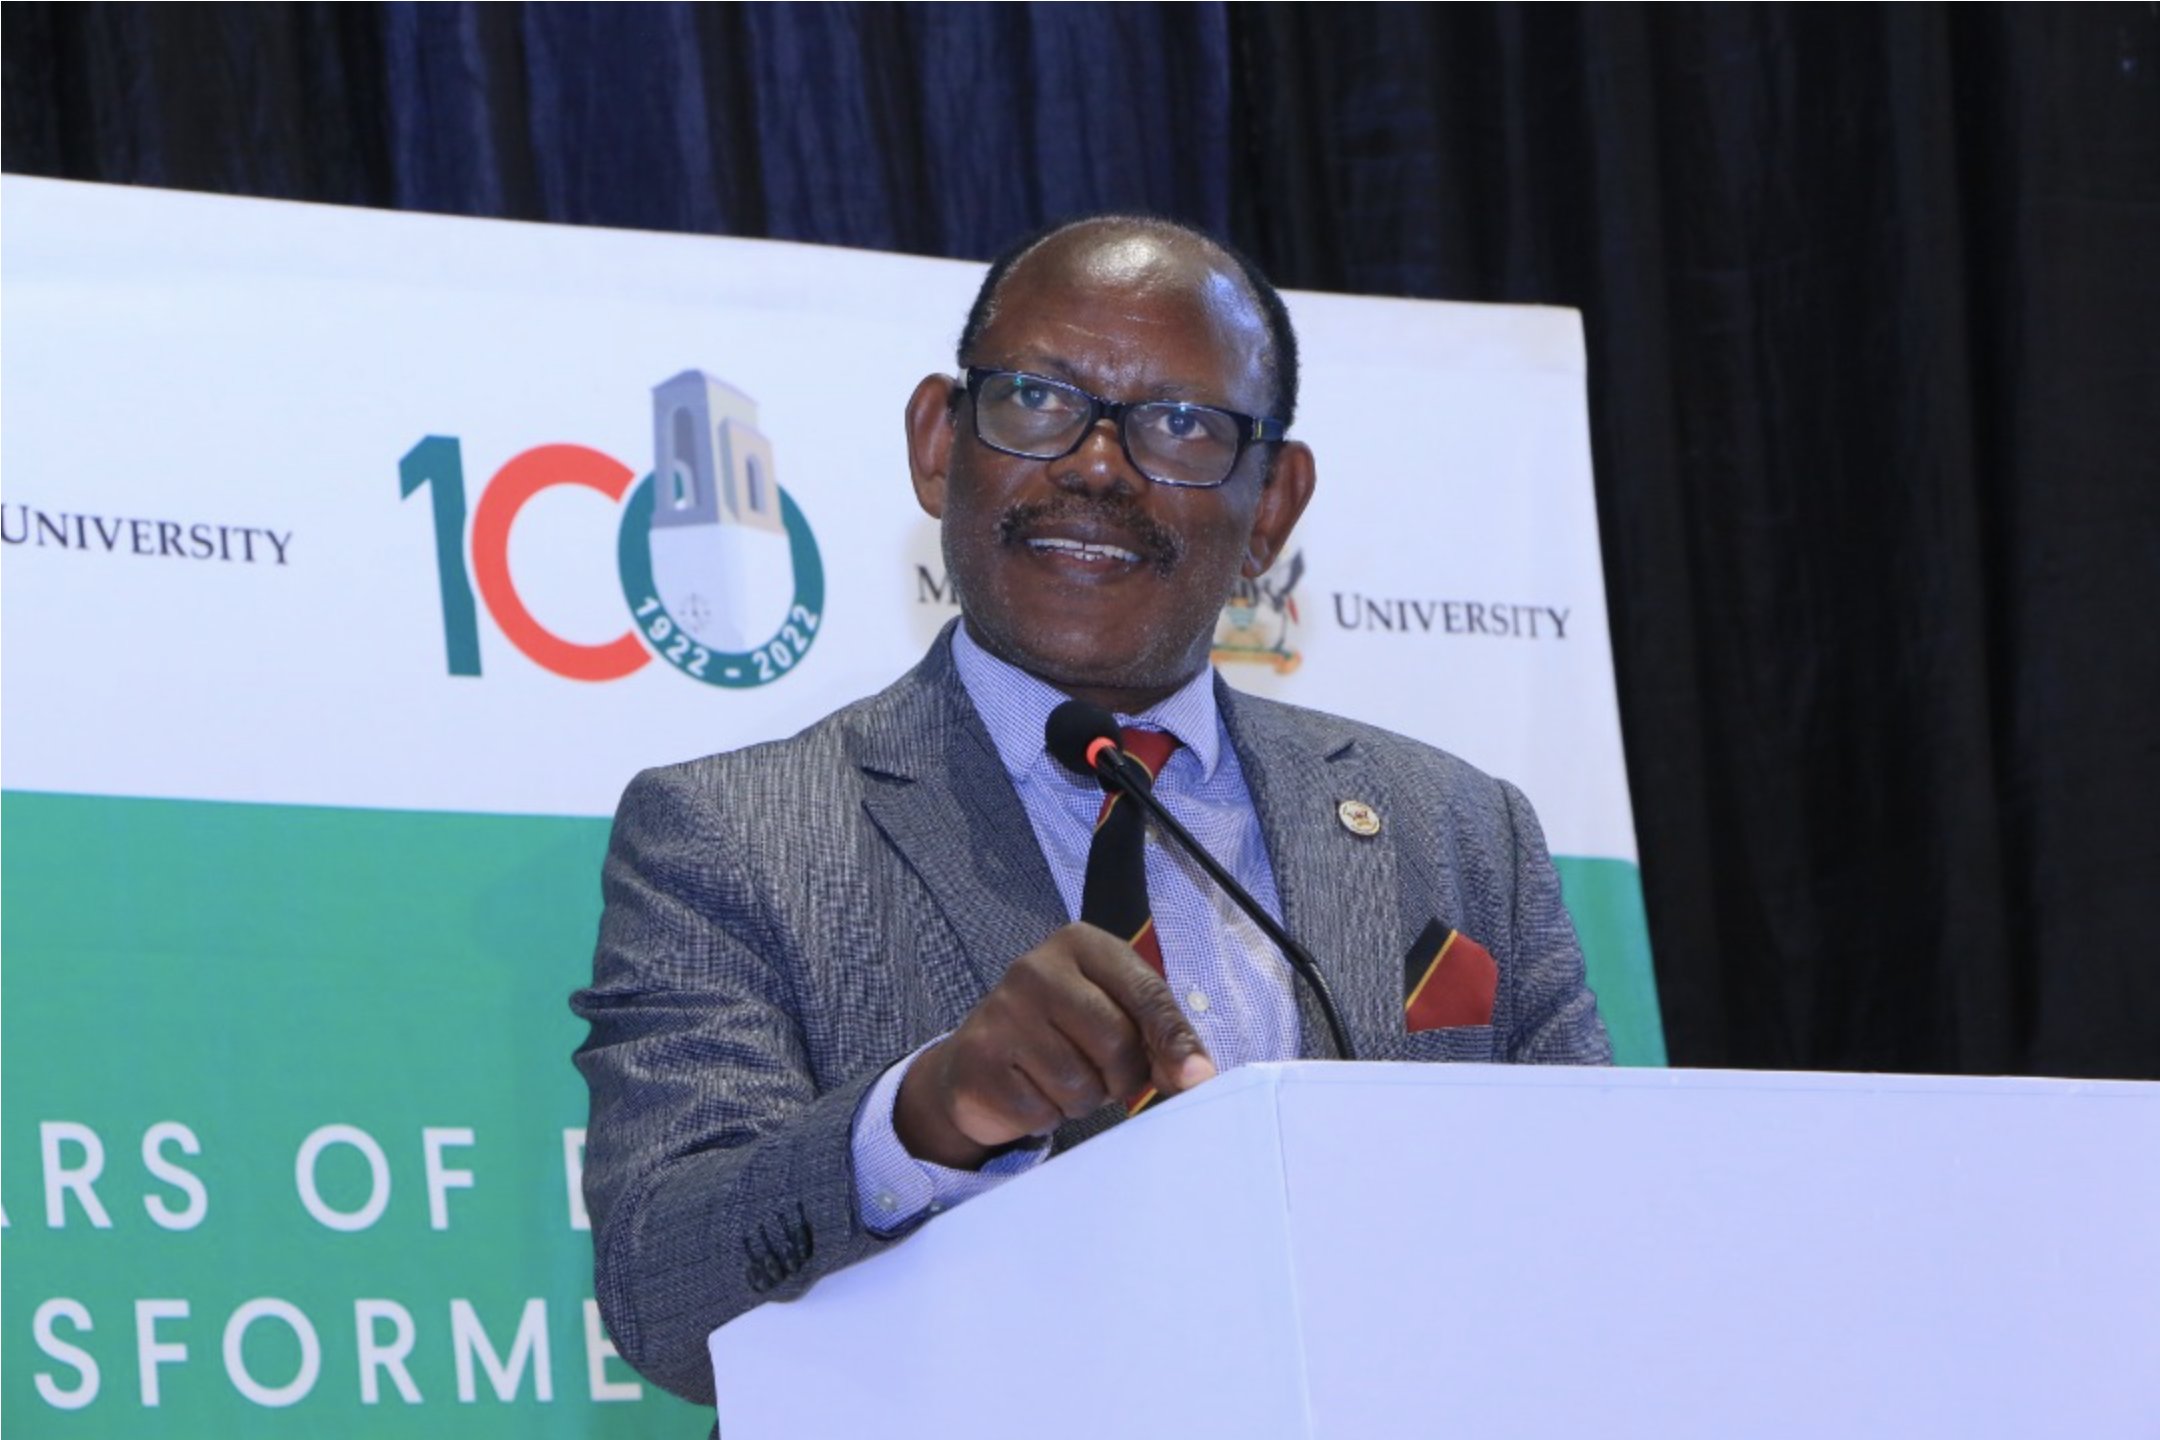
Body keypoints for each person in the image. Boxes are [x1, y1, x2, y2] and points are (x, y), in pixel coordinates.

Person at [571, 214, 1612, 1404]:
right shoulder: (736, 834)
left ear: (1272, 505)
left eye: (1181, 423)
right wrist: (925, 1115)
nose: (1100, 467)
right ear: (937, 443)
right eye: (1036, 399)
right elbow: (665, 1296)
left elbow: (1594, 1233)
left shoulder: (1461, 832)